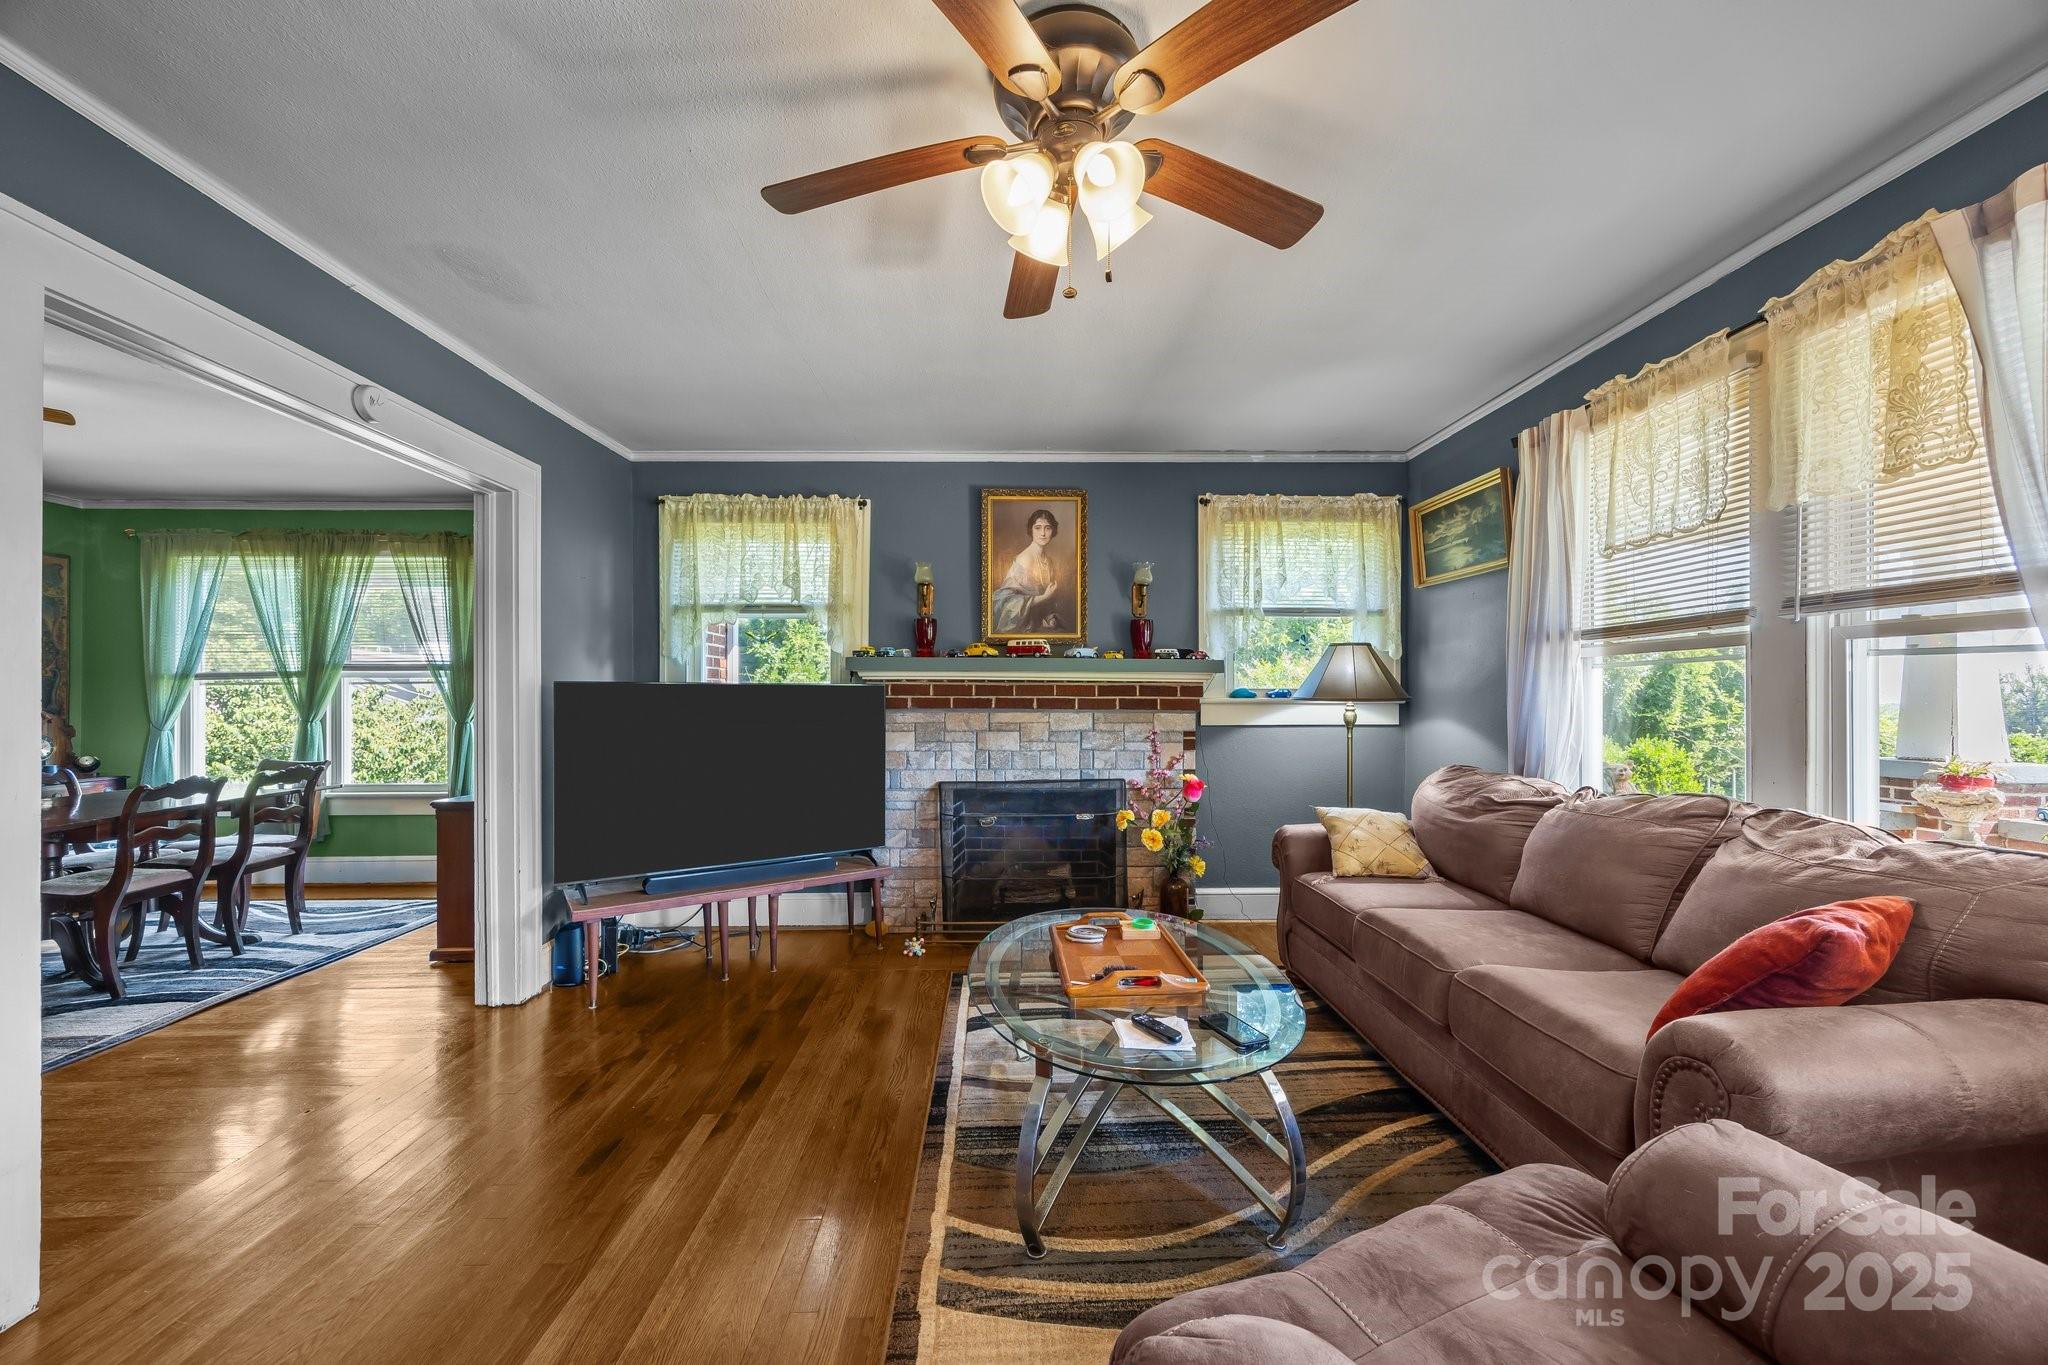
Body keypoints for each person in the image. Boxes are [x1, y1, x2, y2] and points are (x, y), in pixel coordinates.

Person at [990, 507, 1065, 634]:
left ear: (1053, 531)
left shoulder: (1048, 561)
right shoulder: (1025, 559)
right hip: (1021, 626)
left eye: (1047, 528)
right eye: (1038, 527)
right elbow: (1009, 603)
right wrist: (1044, 597)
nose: (1043, 533)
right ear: (1031, 530)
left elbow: (1043, 601)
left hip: (1037, 623)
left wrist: (1048, 617)